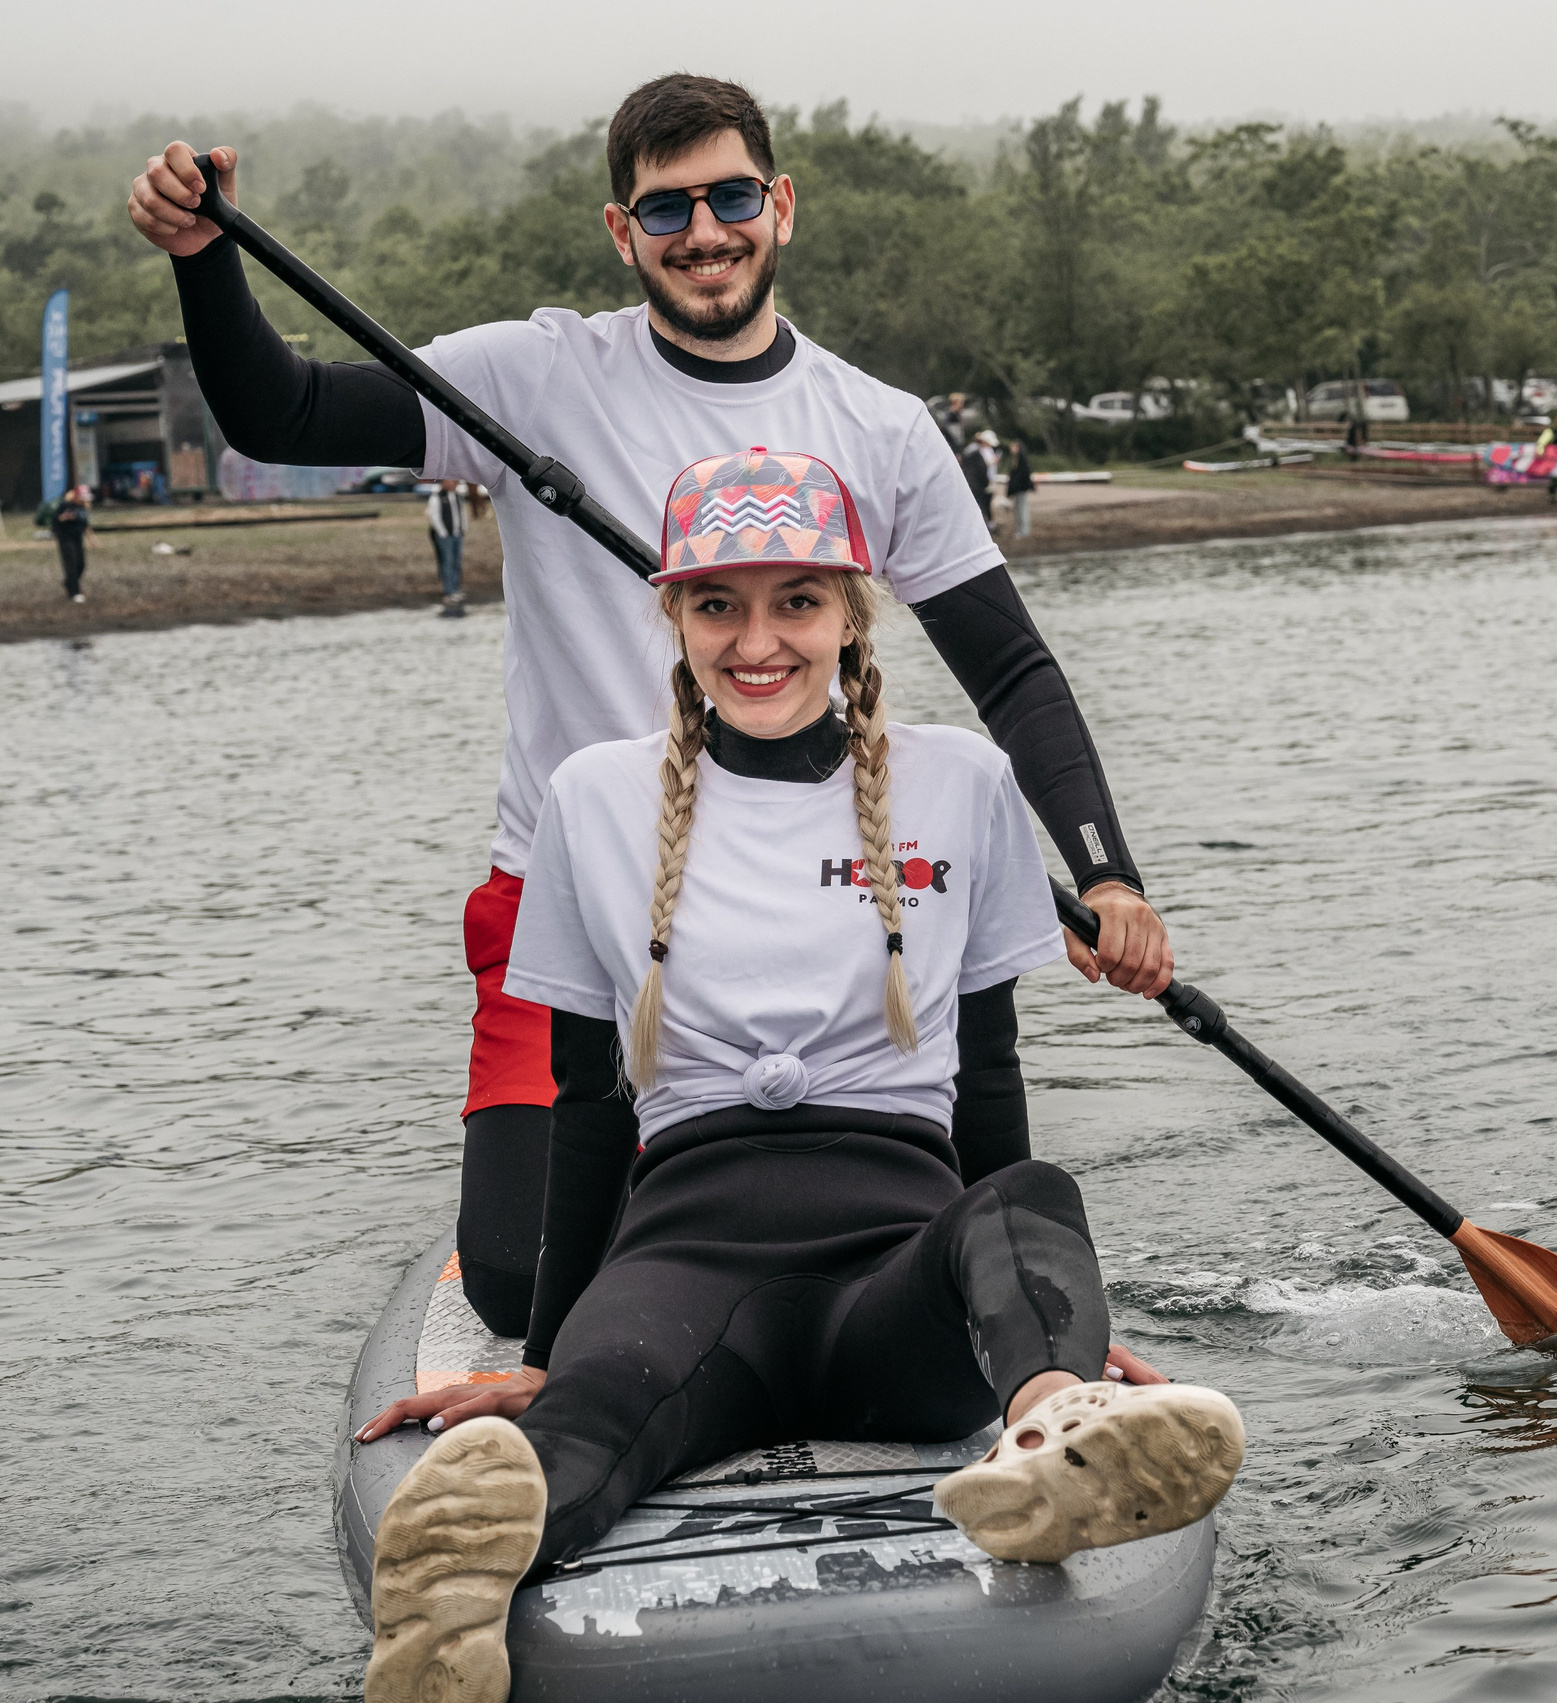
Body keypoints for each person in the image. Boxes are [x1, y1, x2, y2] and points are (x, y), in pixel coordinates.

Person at [129, 76, 1175, 1339]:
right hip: (577, 898)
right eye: (666, 208)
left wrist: (1103, 874)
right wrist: (203, 260)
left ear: (778, 207)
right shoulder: (533, 375)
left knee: (929, 1236)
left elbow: (1011, 670)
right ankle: (669, 1259)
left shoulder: (881, 430)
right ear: (623, 233)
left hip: (833, 898)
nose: (704, 230)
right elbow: (282, 410)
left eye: (731, 196)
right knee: (518, 1287)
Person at [350, 450, 1244, 1703]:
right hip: (684, 1259)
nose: (756, 639)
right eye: (717, 604)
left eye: (795, 603)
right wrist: (546, 1343)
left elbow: (988, 1086)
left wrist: (1040, 1320)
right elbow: (589, 1102)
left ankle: (1057, 1434)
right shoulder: (594, 798)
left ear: (850, 612)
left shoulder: (963, 783)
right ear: (672, 615)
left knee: (1033, 1194)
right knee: (598, 1397)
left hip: (900, 1269)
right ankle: (466, 1560)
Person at [427, 477, 470, 617]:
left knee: (456, 562)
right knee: (447, 562)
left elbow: (462, 514)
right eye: (451, 481)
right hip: (445, 536)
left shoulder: (457, 496)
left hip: (457, 534)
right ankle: (448, 591)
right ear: (444, 482)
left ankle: (456, 589)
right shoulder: (437, 497)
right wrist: (443, 532)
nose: (454, 483)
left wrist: (463, 528)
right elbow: (434, 515)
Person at [50, 484, 92, 602]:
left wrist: (91, 539)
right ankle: (74, 592)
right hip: (65, 538)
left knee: (81, 564)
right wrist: (64, 518)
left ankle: (69, 582)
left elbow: (85, 524)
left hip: (77, 539)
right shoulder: (65, 506)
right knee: (71, 564)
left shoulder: (83, 508)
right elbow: (56, 520)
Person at [960, 427, 998, 532]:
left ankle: (988, 525)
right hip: (979, 484)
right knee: (981, 504)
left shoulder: (978, 450)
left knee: (985, 504)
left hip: (981, 482)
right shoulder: (975, 452)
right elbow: (980, 469)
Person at [1006, 437, 1036, 538]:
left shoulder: (1021, 459)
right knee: (1018, 509)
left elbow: (1023, 474)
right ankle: (1022, 530)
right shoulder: (1017, 459)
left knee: (1022, 510)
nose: (1011, 448)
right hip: (1019, 489)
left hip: (1020, 489)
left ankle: (1024, 531)